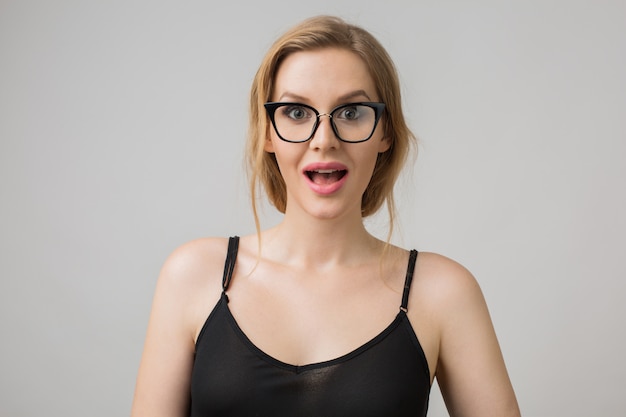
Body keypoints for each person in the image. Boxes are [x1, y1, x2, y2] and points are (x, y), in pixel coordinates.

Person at [131, 15, 521, 417]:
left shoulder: (442, 292)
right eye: (297, 112)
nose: (324, 140)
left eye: (351, 112)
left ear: (385, 131)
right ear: (267, 132)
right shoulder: (193, 276)